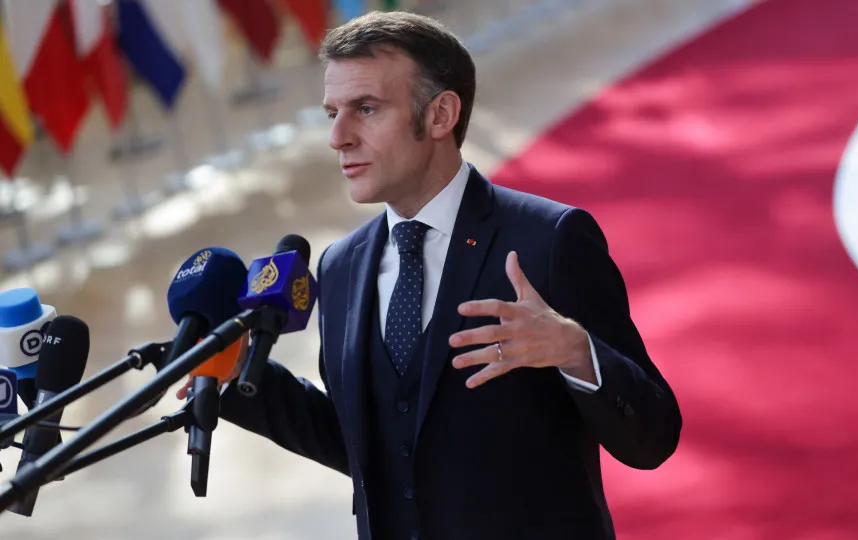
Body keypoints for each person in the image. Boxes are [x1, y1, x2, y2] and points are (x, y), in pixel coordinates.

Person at [177, 10, 681, 540]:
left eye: (366, 109)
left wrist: (576, 351)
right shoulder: (339, 266)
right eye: (332, 113)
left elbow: (653, 437)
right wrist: (242, 372)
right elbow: (371, 453)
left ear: (440, 115)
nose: (337, 137)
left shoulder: (549, 240)